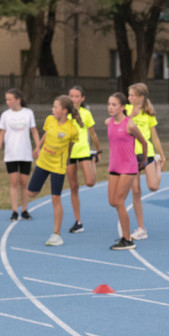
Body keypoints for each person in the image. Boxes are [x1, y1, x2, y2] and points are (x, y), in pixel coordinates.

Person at [27, 95, 81, 247]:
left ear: (64, 110)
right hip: (43, 162)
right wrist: (38, 147)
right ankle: (40, 185)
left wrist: (65, 161)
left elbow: (70, 149)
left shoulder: (72, 129)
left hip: (58, 166)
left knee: (55, 199)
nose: (53, 109)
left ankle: (56, 234)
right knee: (31, 193)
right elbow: (45, 134)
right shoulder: (50, 120)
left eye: (55, 107)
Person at [104, 93, 148, 251]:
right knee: (112, 201)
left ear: (122, 107)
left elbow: (143, 142)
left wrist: (143, 160)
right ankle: (126, 236)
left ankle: (127, 239)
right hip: (114, 167)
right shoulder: (108, 122)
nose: (110, 107)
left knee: (119, 201)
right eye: (109, 104)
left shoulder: (130, 125)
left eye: (114, 104)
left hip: (128, 167)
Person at [125, 83, 165, 241]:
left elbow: (154, 137)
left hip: (146, 154)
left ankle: (157, 165)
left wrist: (161, 155)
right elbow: (121, 126)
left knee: (153, 186)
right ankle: (141, 228)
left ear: (141, 97)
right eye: (128, 95)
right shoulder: (126, 110)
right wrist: (131, 117)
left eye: (132, 95)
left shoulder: (148, 114)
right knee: (136, 191)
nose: (129, 98)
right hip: (131, 155)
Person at [0, 88, 40, 222]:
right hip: (11, 154)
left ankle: (25, 210)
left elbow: (34, 131)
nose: (7, 102)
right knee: (14, 182)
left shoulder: (28, 113)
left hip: (25, 153)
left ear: (18, 100)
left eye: (10, 99)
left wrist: (38, 147)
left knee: (24, 183)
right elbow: (1, 134)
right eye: (6, 99)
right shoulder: (5, 115)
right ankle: (14, 211)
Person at [65, 85, 102, 235]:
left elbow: (93, 135)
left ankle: (92, 160)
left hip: (84, 151)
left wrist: (98, 151)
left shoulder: (86, 114)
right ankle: (78, 221)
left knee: (90, 182)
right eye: (71, 96)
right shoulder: (64, 113)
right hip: (68, 154)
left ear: (82, 98)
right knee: (73, 187)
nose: (73, 99)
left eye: (76, 96)